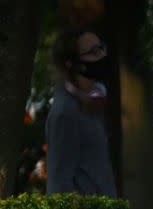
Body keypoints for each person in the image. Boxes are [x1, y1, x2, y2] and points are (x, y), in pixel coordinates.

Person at [46, 26, 117, 197]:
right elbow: (58, 182)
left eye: (102, 48)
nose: (102, 56)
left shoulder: (91, 103)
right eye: (94, 52)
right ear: (72, 64)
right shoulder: (66, 113)